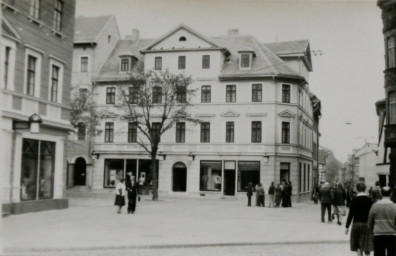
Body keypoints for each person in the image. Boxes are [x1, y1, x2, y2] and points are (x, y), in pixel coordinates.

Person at [345, 182, 374, 256]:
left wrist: (347, 226)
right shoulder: (370, 200)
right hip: (367, 224)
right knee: (367, 245)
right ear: (365, 189)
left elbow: (350, 214)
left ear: (357, 189)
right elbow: (372, 214)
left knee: (358, 245)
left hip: (356, 223)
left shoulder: (354, 200)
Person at [368, 186, 396, 256]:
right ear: (391, 194)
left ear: (381, 193)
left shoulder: (374, 206)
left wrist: (372, 229)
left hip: (378, 234)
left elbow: (370, 223)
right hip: (392, 235)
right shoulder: (395, 206)